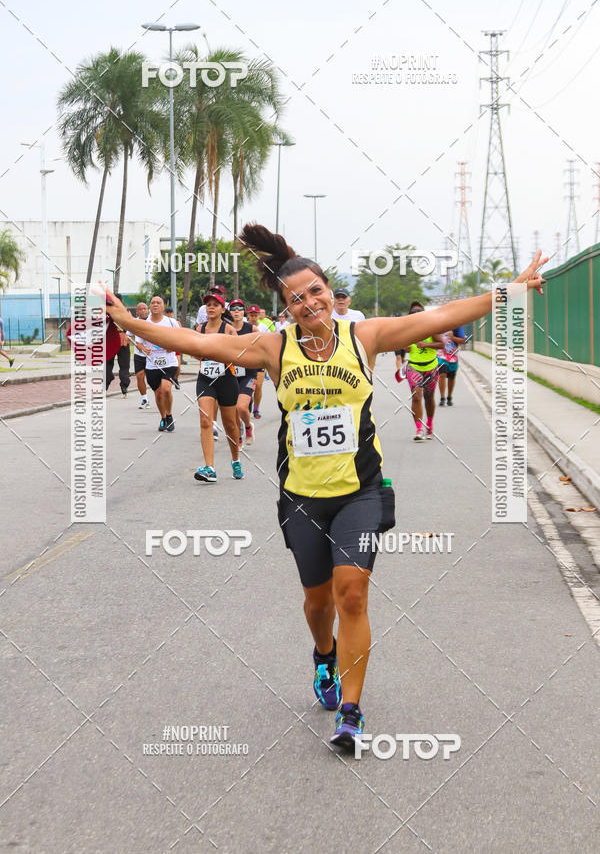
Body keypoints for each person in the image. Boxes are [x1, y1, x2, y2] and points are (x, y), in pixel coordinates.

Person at [103, 228, 547, 750]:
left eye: (316, 291)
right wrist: (130, 323)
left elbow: (438, 317)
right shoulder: (272, 348)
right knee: (318, 603)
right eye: (297, 298)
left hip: (360, 490)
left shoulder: (365, 338)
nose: (309, 302)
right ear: (286, 307)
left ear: (328, 292)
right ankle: (323, 655)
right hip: (302, 496)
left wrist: (507, 291)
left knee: (352, 594)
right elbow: (198, 342)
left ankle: (352, 712)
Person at [193, 292, 244, 482]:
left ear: (223, 309)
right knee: (206, 421)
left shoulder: (229, 329)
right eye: (208, 305)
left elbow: (239, 353)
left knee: (230, 425)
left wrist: (220, 353)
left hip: (226, 379)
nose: (211, 307)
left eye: (216, 304)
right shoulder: (200, 328)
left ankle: (236, 459)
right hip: (205, 377)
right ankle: (210, 468)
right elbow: (193, 350)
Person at [403, 301, 444, 441]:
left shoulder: (431, 328)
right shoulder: (407, 330)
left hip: (431, 367)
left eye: (418, 311)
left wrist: (426, 344)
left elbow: (442, 344)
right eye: (413, 312)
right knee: (416, 396)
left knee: (429, 397)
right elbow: (402, 345)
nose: (416, 314)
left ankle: (430, 425)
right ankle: (419, 429)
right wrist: (405, 347)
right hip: (414, 366)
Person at [145, 296, 179, 432]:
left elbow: (181, 338)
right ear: (150, 306)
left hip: (169, 362)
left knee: (166, 389)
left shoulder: (171, 322)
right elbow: (139, 341)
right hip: (152, 364)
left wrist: (174, 347)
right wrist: (142, 348)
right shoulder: (145, 323)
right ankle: (163, 417)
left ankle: (169, 416)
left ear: (163, 307)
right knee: (158, 394)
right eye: (152, 302)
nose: (155, 305)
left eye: (158, 302)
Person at [229, 298, 259, 446]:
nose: (236, 311)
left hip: (249, 374)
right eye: (233, 308)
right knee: (234, 408)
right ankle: (238, 436)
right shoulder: (226, 329)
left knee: (241, 406)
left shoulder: (252, 329)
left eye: (239, 308)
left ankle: (248, 427)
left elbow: (261, 348)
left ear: (243, 312)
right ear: (229, 312)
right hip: (232, 373)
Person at [105, 293, 131, 397]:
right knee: (107, 364)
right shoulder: (107, 312)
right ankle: (106, 383)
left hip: (123, 342)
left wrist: (128, 334)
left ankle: (124, 384)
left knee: (124, 365)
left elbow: (131, 325)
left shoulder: (126, 312)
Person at [128, 301, 150, 408]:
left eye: (145, 308)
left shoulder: (152, 321)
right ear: (137, 311)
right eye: (141, 309)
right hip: (139, 355)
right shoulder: (134, 323)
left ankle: (160, 396)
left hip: (152, 355)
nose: (143, 310)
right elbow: (128, 337)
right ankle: (144, 399)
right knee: (140, 376)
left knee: (153, 379)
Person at [438, 326, 466, 406]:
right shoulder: (439, 324)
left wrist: (452, 337)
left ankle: (449, 397)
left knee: (451, 377)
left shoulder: (457, 326)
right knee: (442, 374)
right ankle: (442, 398)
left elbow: (463, 340)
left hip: (453, 356)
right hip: (441, 355)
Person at [247, 304, 267, 418]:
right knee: (249, 384)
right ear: (248, 315)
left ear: (259, 315)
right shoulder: (244, 326)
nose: (253, 317)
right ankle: (248, 399)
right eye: (251, 315)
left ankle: (256, 409)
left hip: (260, 359)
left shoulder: (263, 327)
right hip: (247, 360)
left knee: (258, 385)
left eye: (255, 315)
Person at [165, 306, 183, 381]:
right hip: (167, 346)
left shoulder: (177, 322)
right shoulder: (163, 323)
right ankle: (168, 380)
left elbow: (182, 333)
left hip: (175, 346)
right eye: (167, 313)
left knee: (178, 366)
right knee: (167, 366)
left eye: (171, 312)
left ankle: (176, 378)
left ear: (173, 313)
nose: (169, 314)